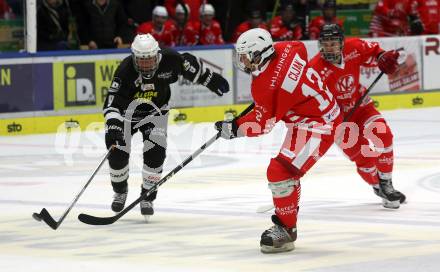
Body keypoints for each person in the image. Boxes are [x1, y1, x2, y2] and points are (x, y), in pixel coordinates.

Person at [215, 28, 342, 253]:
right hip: (313, 115)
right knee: (286, 172)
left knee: (280, 172)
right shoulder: (286, 49)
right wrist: (278, 95)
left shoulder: (267, 86)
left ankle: (286, 229)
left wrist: (233, 128)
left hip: (319, 126)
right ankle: (288, 206)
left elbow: (262, 124)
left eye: (244, 55)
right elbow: (301, 49)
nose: (242, 60)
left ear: (259, 54)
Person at [104, 34, 229, 221]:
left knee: (156, 153)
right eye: (141, 61)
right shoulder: (125, 70)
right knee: (116, 153)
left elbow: (191, 68)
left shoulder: (171, 59)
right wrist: (114, 125)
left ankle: (148, 195)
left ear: (158, 55)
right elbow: (112, 103)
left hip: (156, 112)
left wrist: (210, 79)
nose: (146, 65)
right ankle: (120, 191)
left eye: (150, 60)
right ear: (133, 57)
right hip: (127, 116)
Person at [309, 24, 406, 209]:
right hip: (337, 120)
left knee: (383, 135)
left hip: (360, 105)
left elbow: (376, 53)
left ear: (341, 43)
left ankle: (387, 183)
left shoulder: (353, 47)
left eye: (333, 43)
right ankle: (377, 185)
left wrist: (384, 58)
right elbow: (312, 104)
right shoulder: (314, 69)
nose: (329, 47)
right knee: (365, 158)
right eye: (325, 43)